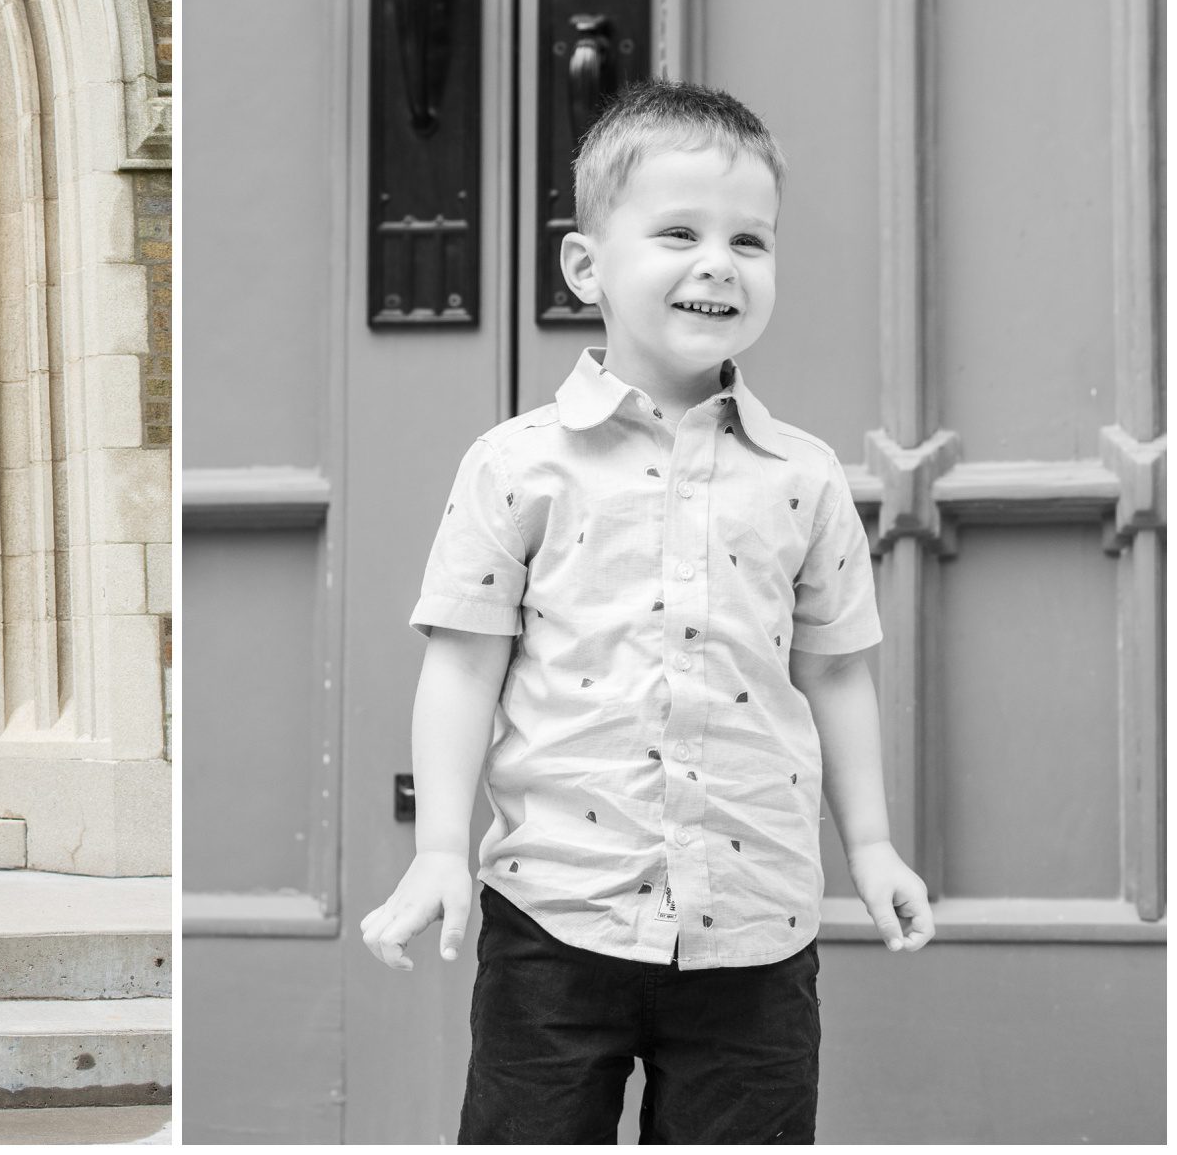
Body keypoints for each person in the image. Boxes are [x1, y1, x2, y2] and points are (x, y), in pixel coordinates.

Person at [358, 80, 934, 1143]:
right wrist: (440, 846)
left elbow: (836, 670)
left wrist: (872, 843)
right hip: (556, 916)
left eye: (747, 241)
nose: (717, 261)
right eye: (677, 231)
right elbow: (462, 665)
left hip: (753, 924)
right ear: (587, 266)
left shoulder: (801, 479)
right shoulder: (516, 465)